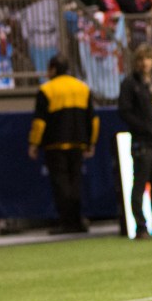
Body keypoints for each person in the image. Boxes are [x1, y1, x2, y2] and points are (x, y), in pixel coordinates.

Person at [27, 54, 98, 235]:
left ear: (52, 69)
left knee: (60, 183)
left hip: (55, 144)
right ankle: (77, 220)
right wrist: (91, 142)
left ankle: (66, 222)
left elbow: (40, 122)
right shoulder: (82, 88)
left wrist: (34, 143)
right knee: (76, 182)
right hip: (78, 143)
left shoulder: (47, 90)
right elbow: (94, 120)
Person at [118, 44, 152, 240]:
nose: (144, 63)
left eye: (147, 59)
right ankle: (140, 226)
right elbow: (124, 111)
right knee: (140, 183)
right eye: (141, 59)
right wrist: (144, 127)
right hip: (142, 140)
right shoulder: (130, 84)